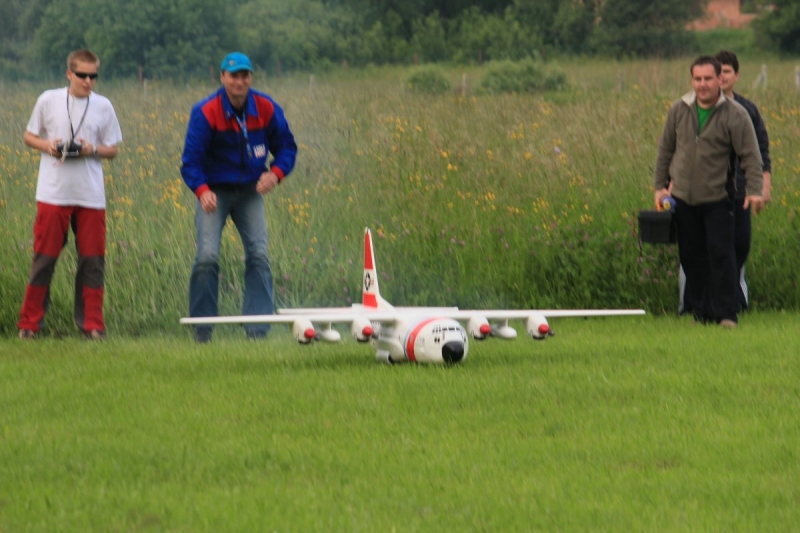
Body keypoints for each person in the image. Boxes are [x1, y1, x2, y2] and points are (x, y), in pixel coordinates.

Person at [181, 52, 297, 343]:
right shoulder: (206, 111)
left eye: (245, 75)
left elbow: (286, 146)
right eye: (234, 75)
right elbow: (190, 161)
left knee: (259, 255)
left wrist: (276, 173)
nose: (240, 81)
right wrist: (202, 190)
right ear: (222, 77)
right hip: (214, 192)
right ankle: (202, 329)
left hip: (250, 191)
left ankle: (257, 329)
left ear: (250, 78)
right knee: (207, 256)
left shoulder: (266, 107)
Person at [17, 49, 122, 340]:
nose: (88, 82)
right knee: (45, 258)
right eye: (82, 75)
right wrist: (47, 146)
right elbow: (28, 136)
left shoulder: (103, 106)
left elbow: (113, 148)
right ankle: (29, 323)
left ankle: (93, 326)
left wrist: (92, 150)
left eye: (93, 76)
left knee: (93, 260)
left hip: (91, 195)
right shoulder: (47, 99)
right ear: (69, 74)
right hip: (53, 193)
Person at [654, 56, 764, 329]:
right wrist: (659, 187)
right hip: (682, 198)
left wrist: (755, 190)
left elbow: (751, 156)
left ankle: (726, 314)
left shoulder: (735, 114)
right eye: (698, 79)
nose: (702, 84)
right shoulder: (679, 109)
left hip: (718, 198)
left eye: (708, 79)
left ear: (719, 80)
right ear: (692, 80)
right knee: (691, 257)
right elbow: (665, 150)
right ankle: (700, 313)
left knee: (722, 256)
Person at [679, 50, 772, 314]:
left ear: (732, 76)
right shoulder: (686, 109)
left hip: (739, 192)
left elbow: (758, 152)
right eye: (700, 78)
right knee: (698, 252)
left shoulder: (745, 110)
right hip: (703, 194)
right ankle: (696, 307)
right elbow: (678, 151)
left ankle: (731, 304)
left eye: (727, 72)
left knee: (735, 249)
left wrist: (762, 185)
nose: (707, 82)